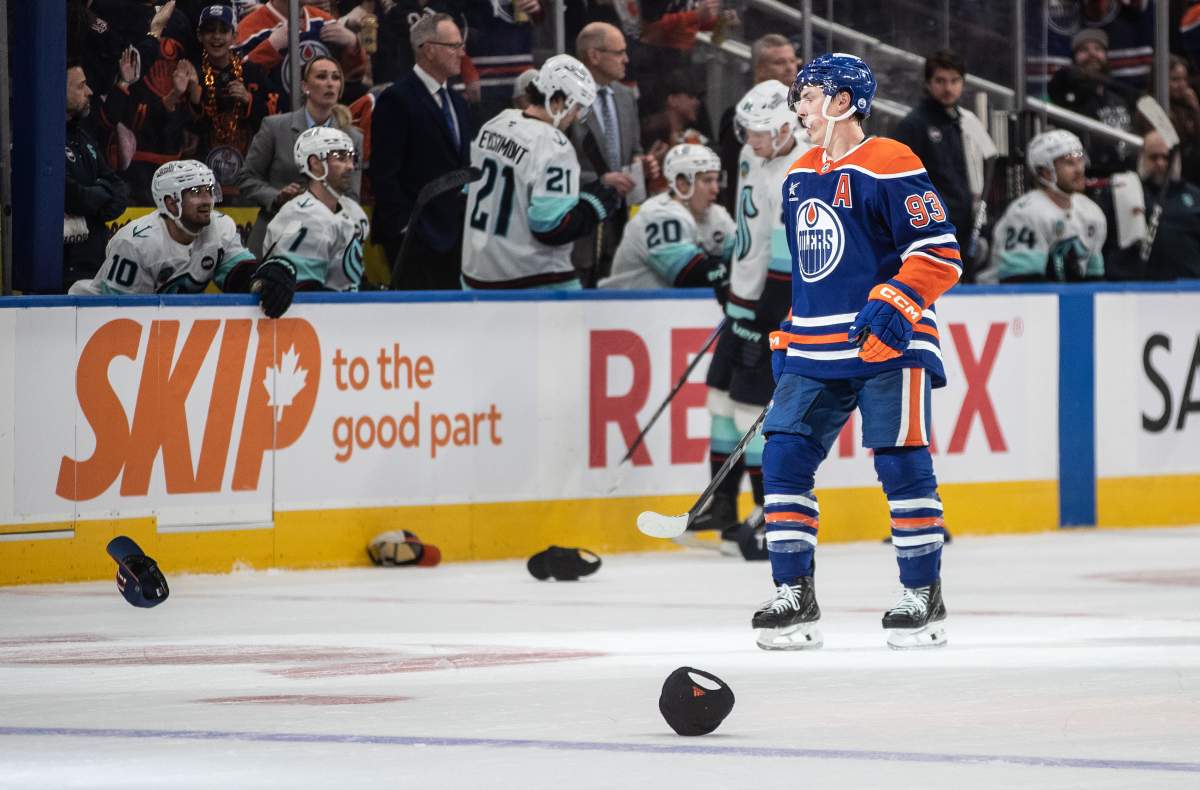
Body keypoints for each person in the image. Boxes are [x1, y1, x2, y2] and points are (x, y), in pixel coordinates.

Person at [755, 53, 961, 651]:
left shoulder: (893, 162)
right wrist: (792, 329)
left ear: (843, 101)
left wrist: (898, 301)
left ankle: (923, 592)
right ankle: (794, 593)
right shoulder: (797, 176)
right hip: (818, 344)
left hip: (888, 340)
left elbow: (940, 250)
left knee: (899, 461)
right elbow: (812, 271)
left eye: (808, 95)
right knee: (784, 458)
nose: (799, 107)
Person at [689, 79, 807, 548]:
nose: (752, 139)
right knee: (719, 398)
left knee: (751, 408)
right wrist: (732, 285)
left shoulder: (800, 170)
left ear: (785, 126)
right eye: (748, 130)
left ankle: (767, 513)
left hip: (771, 306)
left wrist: (765, 320)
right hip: (744, 298)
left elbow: (785, 261)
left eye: (761, 131)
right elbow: (748, 229)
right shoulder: (750, 153)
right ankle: (720, 506)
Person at [460, 54, 619, 289]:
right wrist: (593, 205)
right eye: (576, 107)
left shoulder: (495, 124)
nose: (575, 117)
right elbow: (552, 228)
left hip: (476, 277)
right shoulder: (554, 146)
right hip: (533, 284)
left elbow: (467, 195)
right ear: (558, 101)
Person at [371, 13, 472, 290]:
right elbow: (384, 172)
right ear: (428, 49)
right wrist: (404, 229)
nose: (461, 53)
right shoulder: (397, 99)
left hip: (455, 238)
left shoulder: (458, 102)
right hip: (415, 238)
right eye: (453, 45)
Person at [69, 160, 260, 298]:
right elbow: (119, 312)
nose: (206, 200)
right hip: (88, 320)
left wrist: (262, 282)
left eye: (209, 191)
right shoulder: (136, 243)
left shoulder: (220, 227)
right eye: (195, 192)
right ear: (170, 203)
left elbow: (240, 274)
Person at [237, 55, 364, 257]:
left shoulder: (352, 137)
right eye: (322, 77)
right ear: (305, 86)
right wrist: (277, 197)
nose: (330, 83)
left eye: (335, 78)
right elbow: (246, 179)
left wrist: (316, 204)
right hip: (275, 237)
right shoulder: (275, 127)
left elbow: (352, 195)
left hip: (328, 242)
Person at [893, 49, 997, 282]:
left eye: (954, 81)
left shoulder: (967, 120)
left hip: (967, 223)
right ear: (928, 84)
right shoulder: (914, 124)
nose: (948, 88)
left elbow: (990, 157)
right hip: (932, 227)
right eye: (940, 81)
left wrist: (981, 210)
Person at [571, 21, 652, 284]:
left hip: (621, 223)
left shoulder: (626, 96)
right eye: (619, 53)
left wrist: (643, 164)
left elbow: (635, 150)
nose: (626, 59)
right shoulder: (567, 99)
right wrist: (599, 181)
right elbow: (553, 165)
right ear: (594, 56)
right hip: (580, 224)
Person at [256, 128, 370, 316]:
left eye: (351, 157)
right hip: (309, 325)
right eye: (341, 157)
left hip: (345, 320)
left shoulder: (354, 212)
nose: (350, 166)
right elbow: (301, 292)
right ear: (316, 164)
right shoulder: (301, 216)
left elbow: (349, 278)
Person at [600, 143, 732, 289]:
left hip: (669, 308)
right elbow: (690, 277)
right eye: (707, 180)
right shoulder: (658, 215)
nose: (715, 189)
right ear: (682, 184)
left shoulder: (717, 215)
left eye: (717, 180)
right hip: (627, 307)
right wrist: (736, 268)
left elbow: (746, 254)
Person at [981, 130, 1106, 283]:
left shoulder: (1091, 211)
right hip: (1007, 302)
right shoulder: (1026, 213)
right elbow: (1022, 281)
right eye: (1069, 163)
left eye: (1080, 160)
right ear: (1045, 172)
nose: (1079, 169)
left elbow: (1094, 279)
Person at [189, 5, 274, 201]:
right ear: (199, 35)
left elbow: (272, 122)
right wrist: (192, 96)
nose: (216, 37)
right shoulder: (191, 73)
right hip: (203, 176)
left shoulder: (253, 72)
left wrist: (248, 99)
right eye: (210, 30)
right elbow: (185, 133)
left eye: (223, 30)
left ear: (234, 36)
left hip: (247, 173)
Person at [64, 62, 130, 293]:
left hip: (95, 264)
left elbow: (119, 191)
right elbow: (72, 196)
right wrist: (102, 192)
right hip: (59, 268)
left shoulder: (84, 136)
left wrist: (96, 196)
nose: (90, 91)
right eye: (81, 86)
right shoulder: (43, 140)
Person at [235, 0, 369, 108]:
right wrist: (271, 47)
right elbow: (235, 80)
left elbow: (354, 76)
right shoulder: (249, 28)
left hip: (321, 122)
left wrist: (353, 44)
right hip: (274, 123)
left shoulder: (324, 20)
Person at [717, 34, 797, 214]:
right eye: (780, 62)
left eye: (792, 61)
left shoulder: (804, 114)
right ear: (760, 69)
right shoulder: (738, 119)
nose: (790, 68)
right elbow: (736, 179)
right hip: (752, 217)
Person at [1108, 129, 1200, 281]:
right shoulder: (1121, 190)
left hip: (1189, 292)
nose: (1160, 163)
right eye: (1153, 157)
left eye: (1166, 157)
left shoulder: (1195, 197)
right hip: (1132, 291)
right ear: (1141, 157)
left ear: (1176, 159)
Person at [1046, 28, 1138, 177]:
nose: (1092, 54)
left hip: (1126, 173)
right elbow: (1060, 80)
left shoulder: (1118, 97)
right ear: (1074, 58)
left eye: (1098, 49)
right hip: (1087, 175)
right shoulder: (1065, 93)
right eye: (1084, 49)